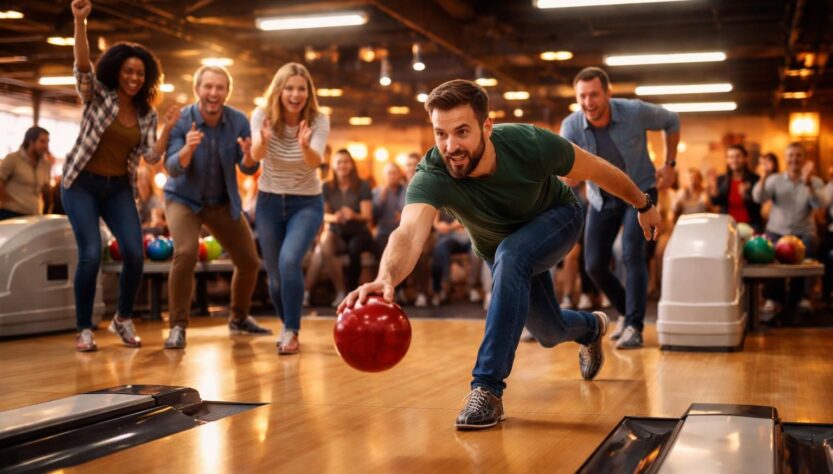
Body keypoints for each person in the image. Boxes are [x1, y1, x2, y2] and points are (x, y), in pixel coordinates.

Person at [338, 79, 661, 430]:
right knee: (549, 332)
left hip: (557, 218)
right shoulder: (433, 173)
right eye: (440, 134)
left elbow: (596, 169)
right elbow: (409, 231)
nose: (451, 146)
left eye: (462, 132)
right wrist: (385, 278)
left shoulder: (529, 143)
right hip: (503, 252)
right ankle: (590, 328)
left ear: (486, 126)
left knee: (512, 253)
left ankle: (486, 389)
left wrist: (643, 204)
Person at [64, 0, 178, 352]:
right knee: (91, 253)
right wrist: (80, 23)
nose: (133, 78)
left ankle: (122, 318)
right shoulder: (98, 95)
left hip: (117, 189)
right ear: (116, 71)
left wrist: (168, 130)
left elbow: (150, 156)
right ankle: (84, 328)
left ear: (147, 78)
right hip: (81, 184)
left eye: (140, 73)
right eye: (128, 71)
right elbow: (83, 67)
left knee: (134, 252)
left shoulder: (146, 112)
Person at [560, 67, 679, 349]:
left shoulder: (634, 111)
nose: (589, 103)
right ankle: (628, 314)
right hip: (601, 197)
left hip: (640, 193)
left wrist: (670, 163)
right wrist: (569, 175)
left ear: (608, 94)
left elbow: (672, 120)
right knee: (593, 264)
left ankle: (635, 326)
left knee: (631, 252)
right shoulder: (571, 126)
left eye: (594, 95)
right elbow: (567, 172)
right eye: (582, 97)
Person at [162, 64, 270, 349]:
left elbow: (248, 168)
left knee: (249, 261)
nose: (213, 92)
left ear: (226, 92)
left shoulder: (238, 121)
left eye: (219, 87)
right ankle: (177, 326)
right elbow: (171, 168)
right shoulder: (183, 121)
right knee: (185, 253)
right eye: (208, 86)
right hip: (183, 199)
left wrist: (248, 157)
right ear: (197, 89)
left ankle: (238, 318)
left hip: (222, 201)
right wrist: (187, 149)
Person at [251, 62, 329, 355]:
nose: (296, 94)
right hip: (269, 202)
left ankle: (292, 331)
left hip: (306, 202)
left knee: (288, 262)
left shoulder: (318, 120)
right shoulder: (261, 115)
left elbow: (314, 161)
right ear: (279, 90)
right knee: (274, 277)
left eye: (301, 89)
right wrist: (264, 139)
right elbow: (256, 154)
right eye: (290, 88)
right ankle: (287, 325)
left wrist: (305, 145)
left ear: (308, 92)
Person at [752, 142, 824, 315]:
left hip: (803, 231)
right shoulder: (774, 179)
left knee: (809, 246)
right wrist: (764, 176)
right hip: (777, 230)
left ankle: (803, 298)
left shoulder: (815, 181)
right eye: (791, 155)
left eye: (798, 155)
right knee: (770, 255)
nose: (794, 159)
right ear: (785, 158)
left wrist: (809, 185)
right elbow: (758, 198)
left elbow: (820, 203)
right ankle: (773, 298)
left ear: (805, 159)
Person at [314, 149, 374, 306]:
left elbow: (367, 216)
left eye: (346, 162)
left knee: (355, 247)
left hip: (358, 232)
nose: (342, 165)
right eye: (339, 162)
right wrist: (336, 217)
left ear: (352, 165)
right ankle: (340, 290)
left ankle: (353, 290)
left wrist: (353, 215)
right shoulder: (326, 187)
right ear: (333, 165)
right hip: (337, 233)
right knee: (325, 242)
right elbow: (323, 215)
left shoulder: (363, 185)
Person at [0, 127, 52, 220]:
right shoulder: (12, 159)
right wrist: (10, 201)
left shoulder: (46, 164)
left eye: (47, 142)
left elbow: (46, 190)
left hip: (32, 215)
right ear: (31, 142)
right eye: (42, 142)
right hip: (10, 214)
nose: (46, 146)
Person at [707, 144, 762, 231]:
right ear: (727, 160)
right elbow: (716, 203)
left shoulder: (755, 178)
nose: (734, 160)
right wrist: (713, 190)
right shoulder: (721, 179)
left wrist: (746, 195)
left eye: (738, 156)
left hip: (751, 226)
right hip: (727, 225)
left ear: (745, 158)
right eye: (731, 157)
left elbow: (759, 204)